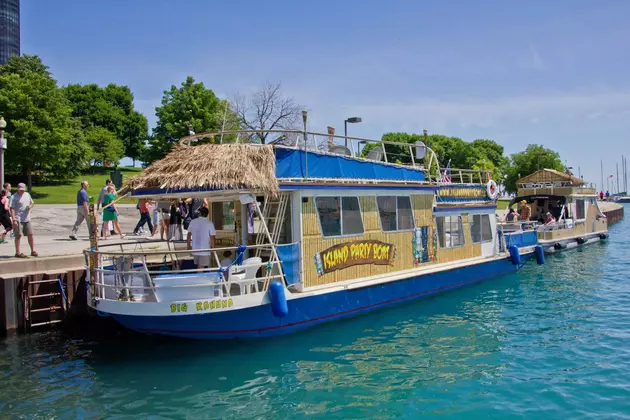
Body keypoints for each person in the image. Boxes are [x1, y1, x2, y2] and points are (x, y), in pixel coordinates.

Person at [10, 183, 37, 257]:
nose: (21, 191)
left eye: (23, 190)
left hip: (27, 218)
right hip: (18, 218)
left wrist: (30, 206)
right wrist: (14, 219)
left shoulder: (27, 195)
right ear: (17, 189)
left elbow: (32, 203)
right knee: (18, 235)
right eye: (20, 190)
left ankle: (32, 251)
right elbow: (12, 208)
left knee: (30, 234)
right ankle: (17, 252)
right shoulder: (13, 197)